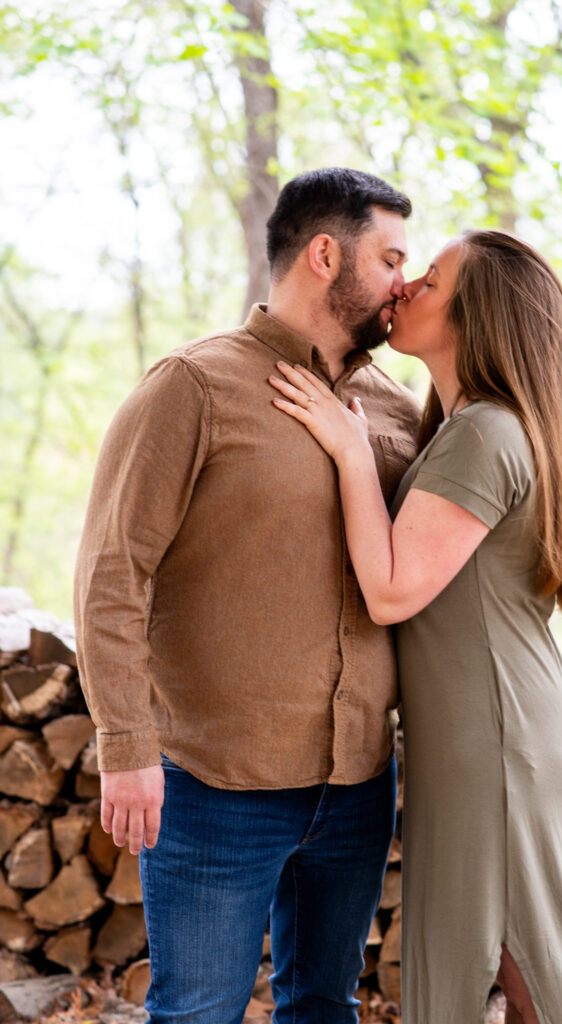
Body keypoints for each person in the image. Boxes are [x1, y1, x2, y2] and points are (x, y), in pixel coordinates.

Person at [73, 167, 423, 1024]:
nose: (402, 284)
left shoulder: (394, 408)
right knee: (197, 1013)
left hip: (356, 785)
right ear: (324, 254)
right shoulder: (190, 388)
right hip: (213, 789)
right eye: (389, 259)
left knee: (323, 1006)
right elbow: (112, 575)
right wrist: (126, 745)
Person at [269, 229, 562, 1024]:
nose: (401, 289)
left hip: (493, 740)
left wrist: (349, 450)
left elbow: (390, 592)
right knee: (511, 960)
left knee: (517, 964)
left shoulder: (485, 433)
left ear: (478, 317)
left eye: (426, 282)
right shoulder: (472, 427)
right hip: (492, 732)